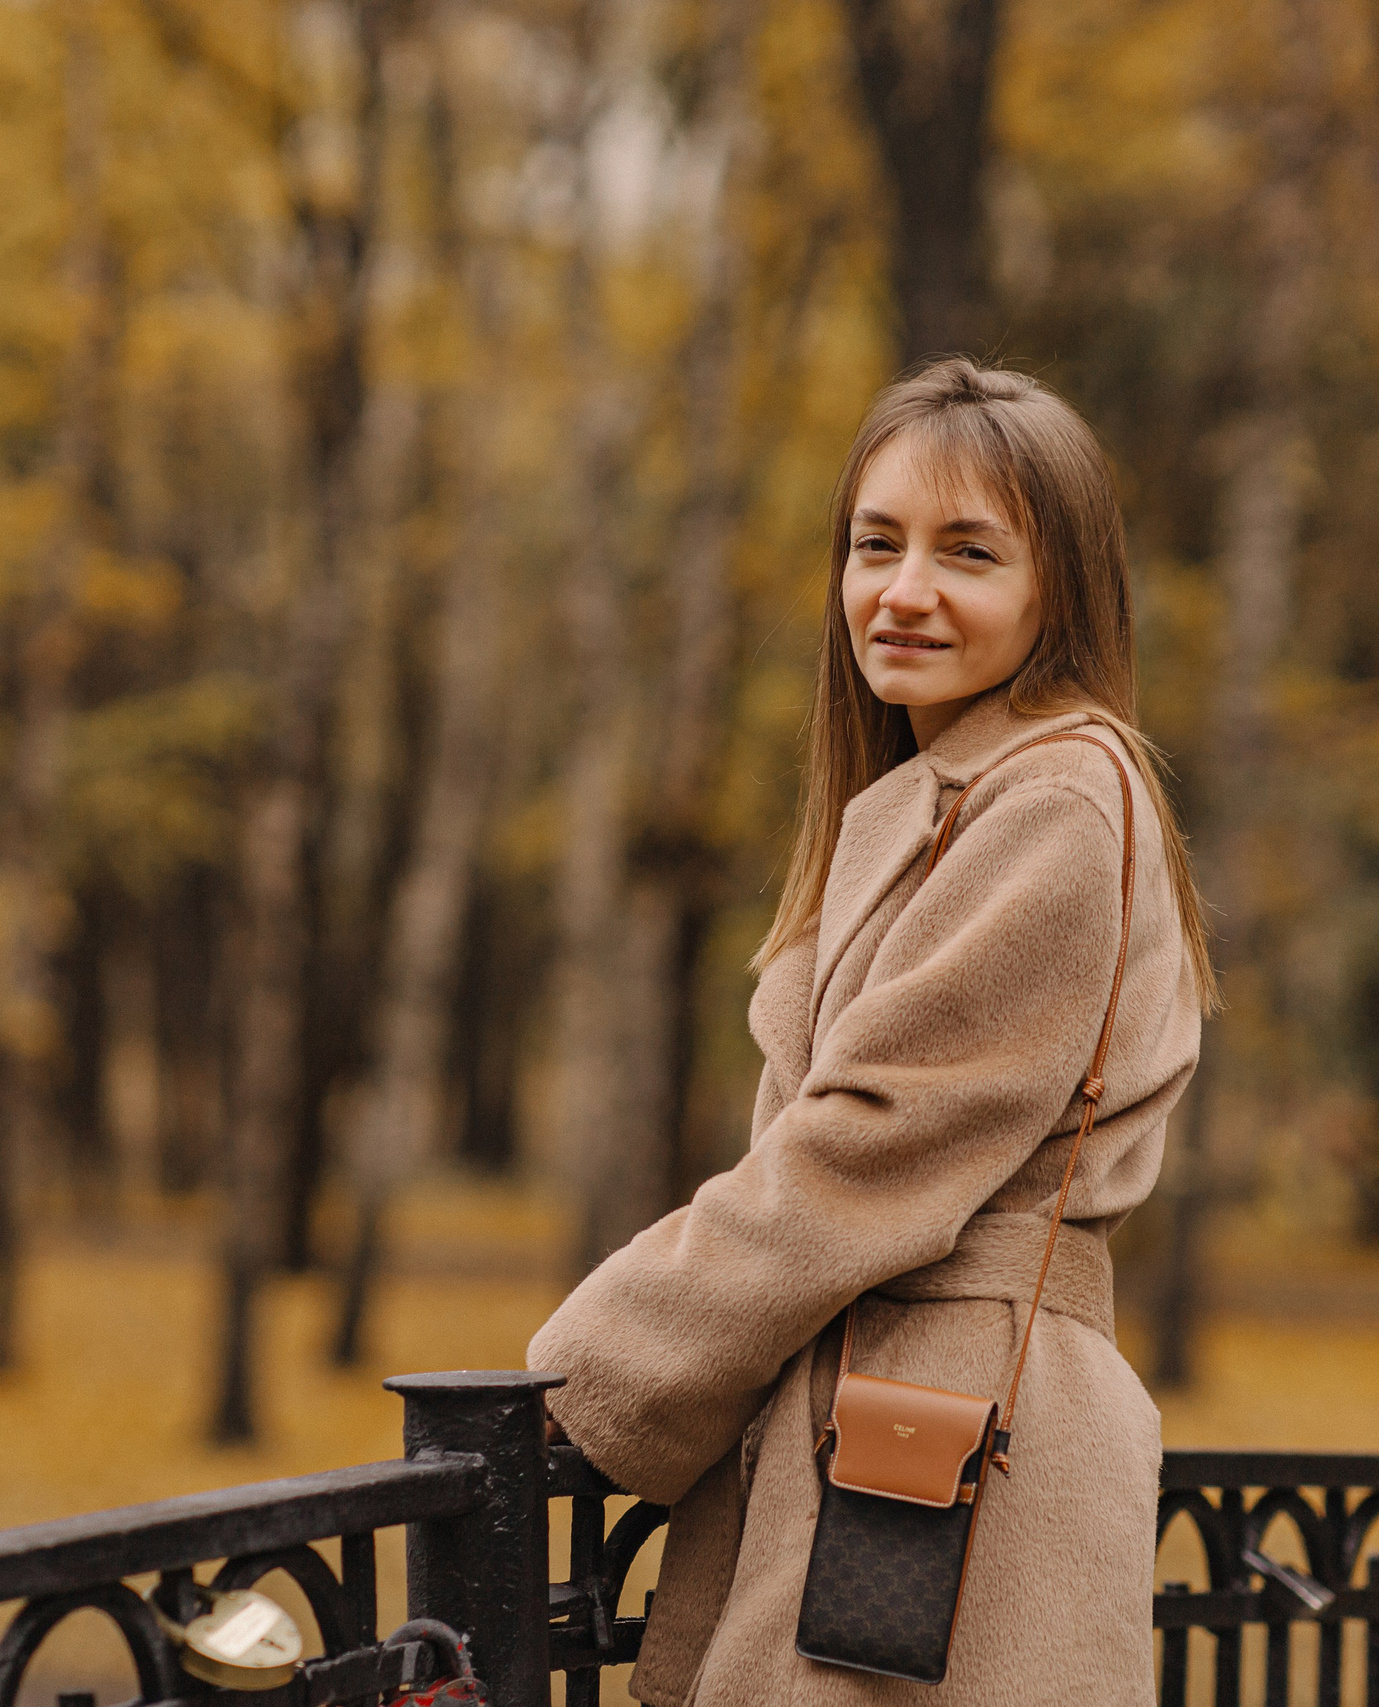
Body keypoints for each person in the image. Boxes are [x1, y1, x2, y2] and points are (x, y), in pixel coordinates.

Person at [528, 358, 1213, 1704]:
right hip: (894, 1417)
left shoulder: (1059, 799)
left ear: (1058, 589)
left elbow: (871, 1146)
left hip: (948, 1439)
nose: (903, 592)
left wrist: (589, 1374)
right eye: (875, 545)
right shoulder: (943, 796)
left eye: (967, 552)